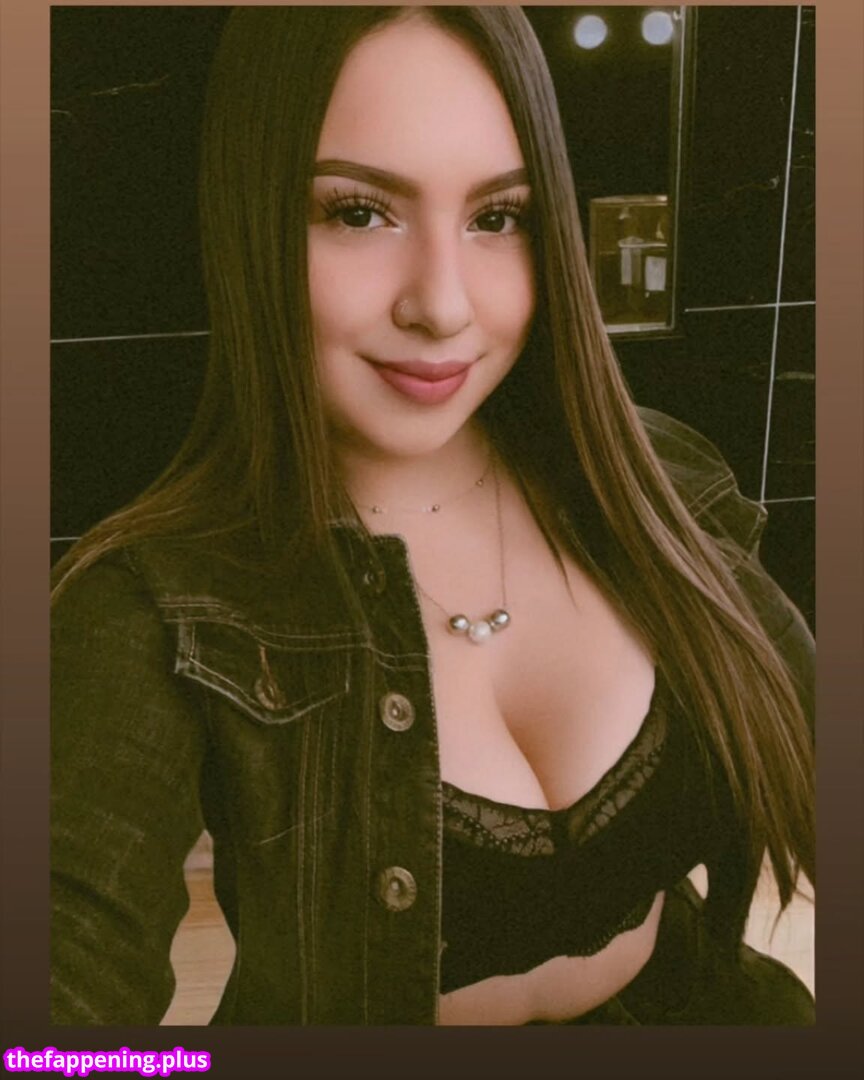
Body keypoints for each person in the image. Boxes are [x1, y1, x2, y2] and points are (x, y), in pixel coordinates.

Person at [50, 6, 815, 1026]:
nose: (444, 306)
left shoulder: (652, 479)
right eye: (359, 213)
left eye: (498, 217)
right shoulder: (153, 604)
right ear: (250, 218)